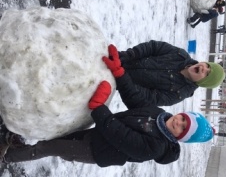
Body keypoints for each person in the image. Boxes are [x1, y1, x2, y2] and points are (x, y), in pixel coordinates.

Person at [0, 45, 214, 167]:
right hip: (98, 133)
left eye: (181, 127)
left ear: (179, 137)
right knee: (57, 137)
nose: (178, 121)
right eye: (183, 118)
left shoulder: (155, 147)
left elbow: (119, 135)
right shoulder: (159, 115)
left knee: (49, 148)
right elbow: (134, 98)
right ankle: (20, 143)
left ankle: (7, 157)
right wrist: (120, 72)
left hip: (95, 150)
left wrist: (99, 107)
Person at [117, 40, 225, 106]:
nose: (203, 69)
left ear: (202, 82)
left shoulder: (178, 94)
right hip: (122, 58)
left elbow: (148, 97)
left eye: (206, 74)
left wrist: (123, 79)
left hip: (118, 80)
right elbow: (154, 47)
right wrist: (130, 54)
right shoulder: (180, 54)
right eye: (207, 66)